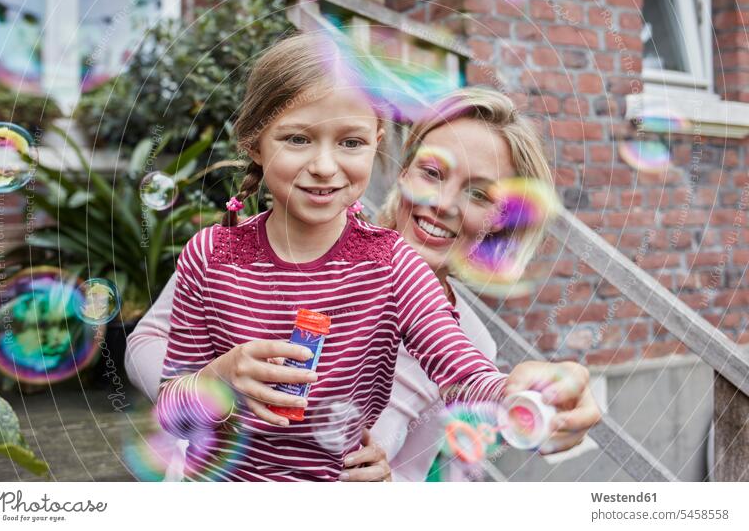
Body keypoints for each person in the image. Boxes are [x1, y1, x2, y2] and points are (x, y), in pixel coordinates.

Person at [126, 34, 601, 482]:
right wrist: (215, 381)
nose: (325, 166)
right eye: (434, 173)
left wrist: (525, 395)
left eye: (478, 193)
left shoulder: (407, 278)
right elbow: (167, 382)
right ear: (404, 166)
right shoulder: (218, 254)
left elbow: (467, 380)